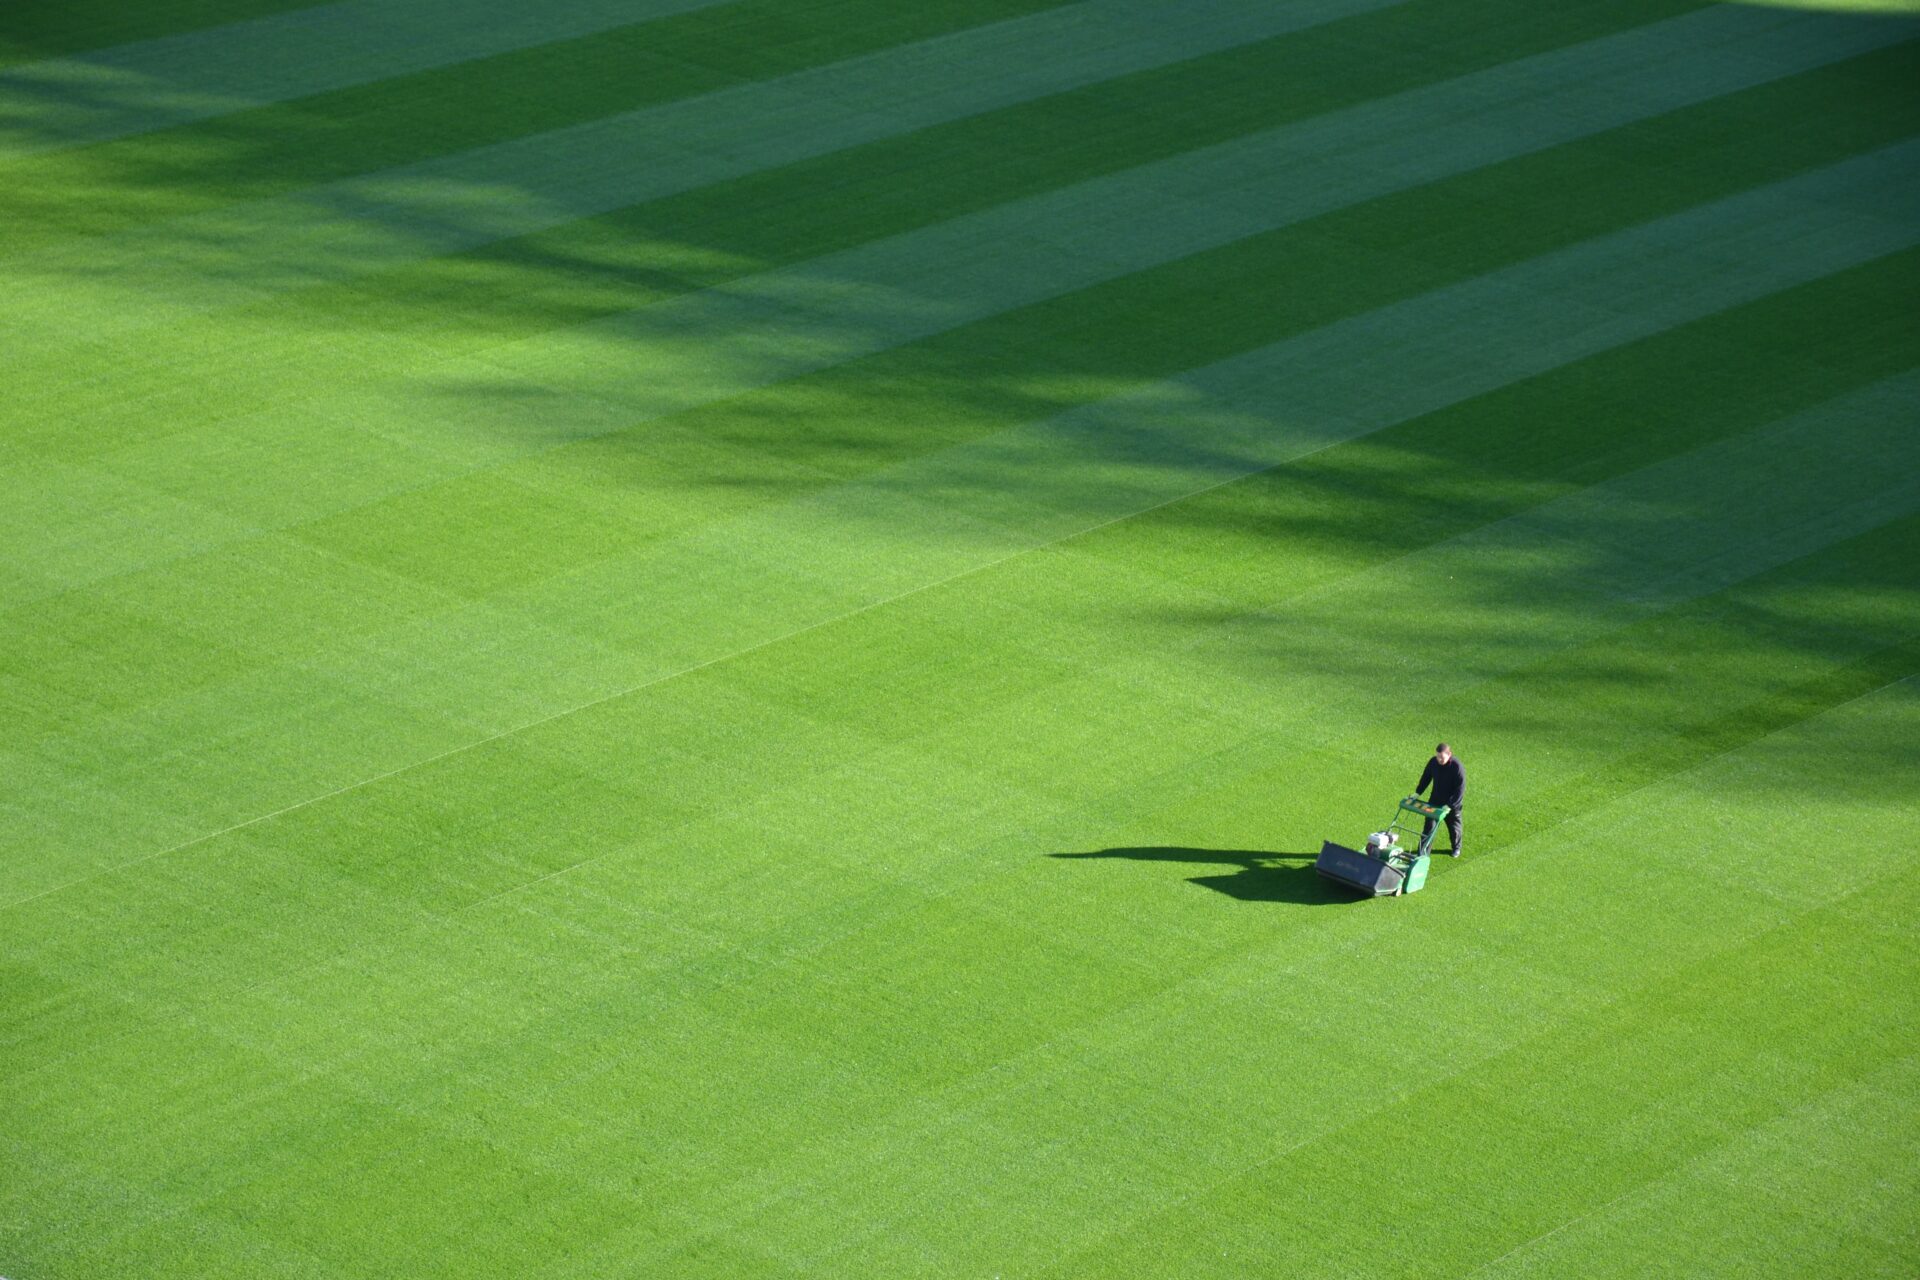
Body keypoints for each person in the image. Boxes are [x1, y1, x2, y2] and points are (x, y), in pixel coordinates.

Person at [1414, 742, 1465, 857]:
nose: (1439, 760)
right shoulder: (1433, 762)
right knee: (1428, 828)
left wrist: (1450, 805)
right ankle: (1422, 853)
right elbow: (1426, 777)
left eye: (1442, 757)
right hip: (1435, 801)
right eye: (1437, 756)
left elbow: (1460, 790)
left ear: (1449, 754)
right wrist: (1417, 792)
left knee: (1454, 829)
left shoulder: (1457, 767)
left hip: (1452, 805)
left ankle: (1456, 848)